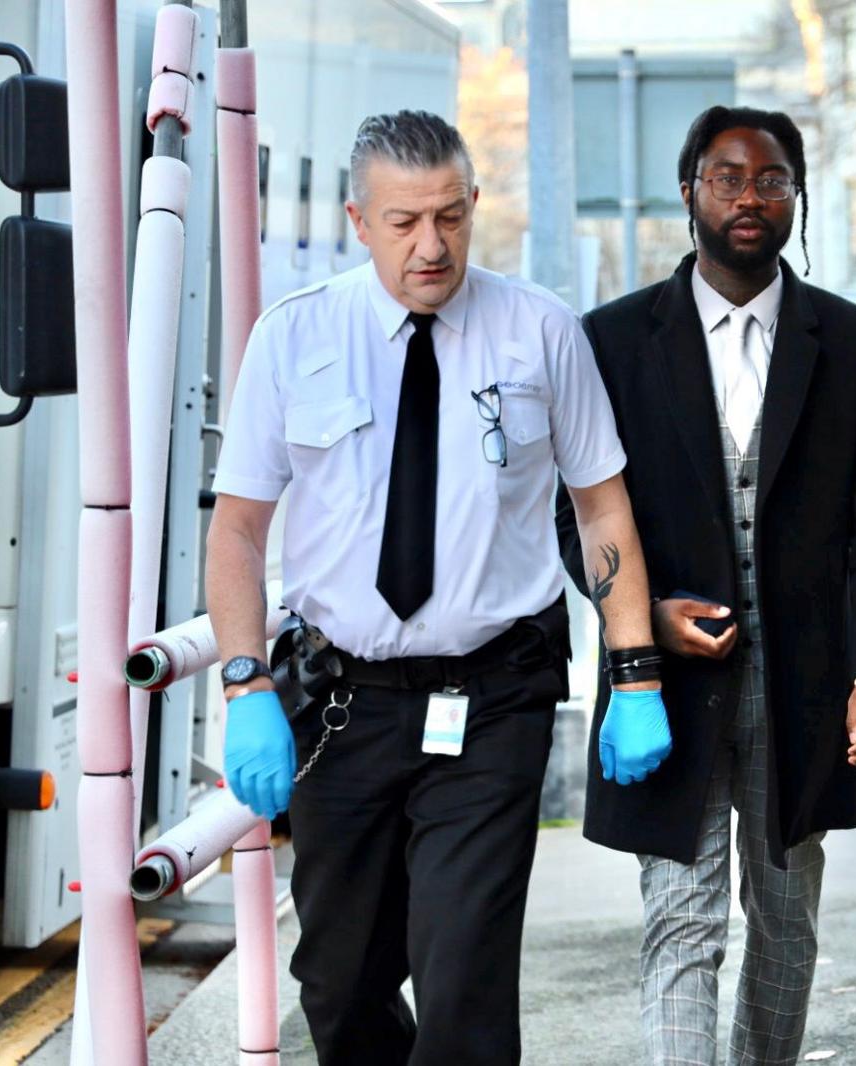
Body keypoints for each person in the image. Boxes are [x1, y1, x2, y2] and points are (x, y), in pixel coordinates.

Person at [206, 110, 673, 1066]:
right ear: (357, 219)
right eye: (405, 221)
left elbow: (601, 510)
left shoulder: (539, 330)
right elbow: (240, 532)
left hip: (493, 701)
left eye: (452, 218)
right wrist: (247, 685)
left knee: (462, 979)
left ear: (473, 205)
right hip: (344, 708)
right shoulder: (294, 339)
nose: (433, 245)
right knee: (342, 985)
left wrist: (636, 676)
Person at [557, 105, 856, 1065]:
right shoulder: (610, 342)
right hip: (666, 685)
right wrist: (643, 619)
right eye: (727, 177)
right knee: (680, 926)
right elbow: (577, 514)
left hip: (809, 692)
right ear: (690, 193)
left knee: (784, 926)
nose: (750, 197)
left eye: (771, 180)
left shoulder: (855, 345)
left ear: (796, 200)